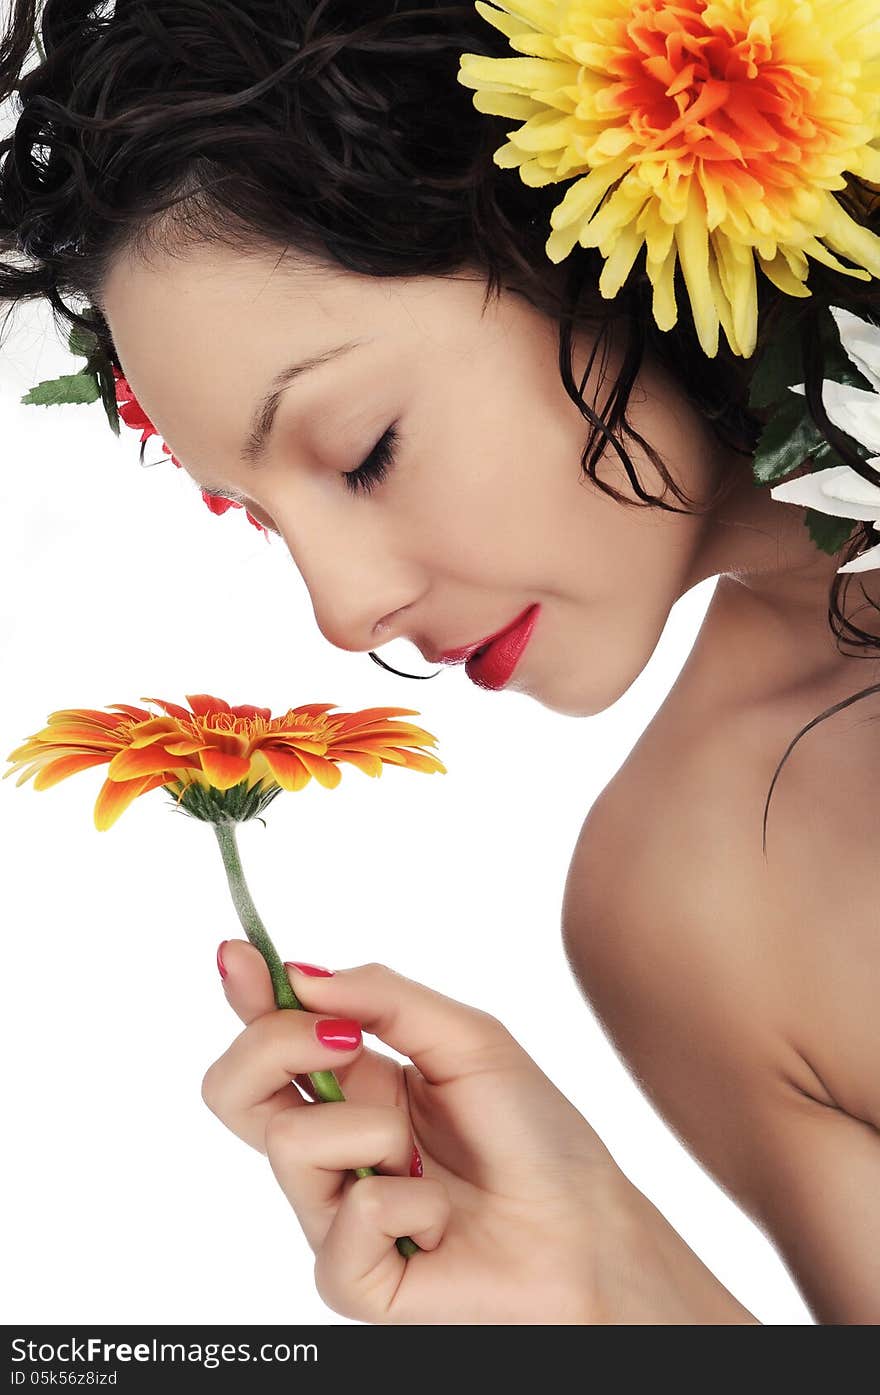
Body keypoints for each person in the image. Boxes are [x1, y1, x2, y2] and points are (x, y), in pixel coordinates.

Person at [2, 1, 879, 1325]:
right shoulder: (694, 900)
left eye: (363, 450)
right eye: (259, 516)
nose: (342, 612)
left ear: (609, 211)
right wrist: (608, 1283)